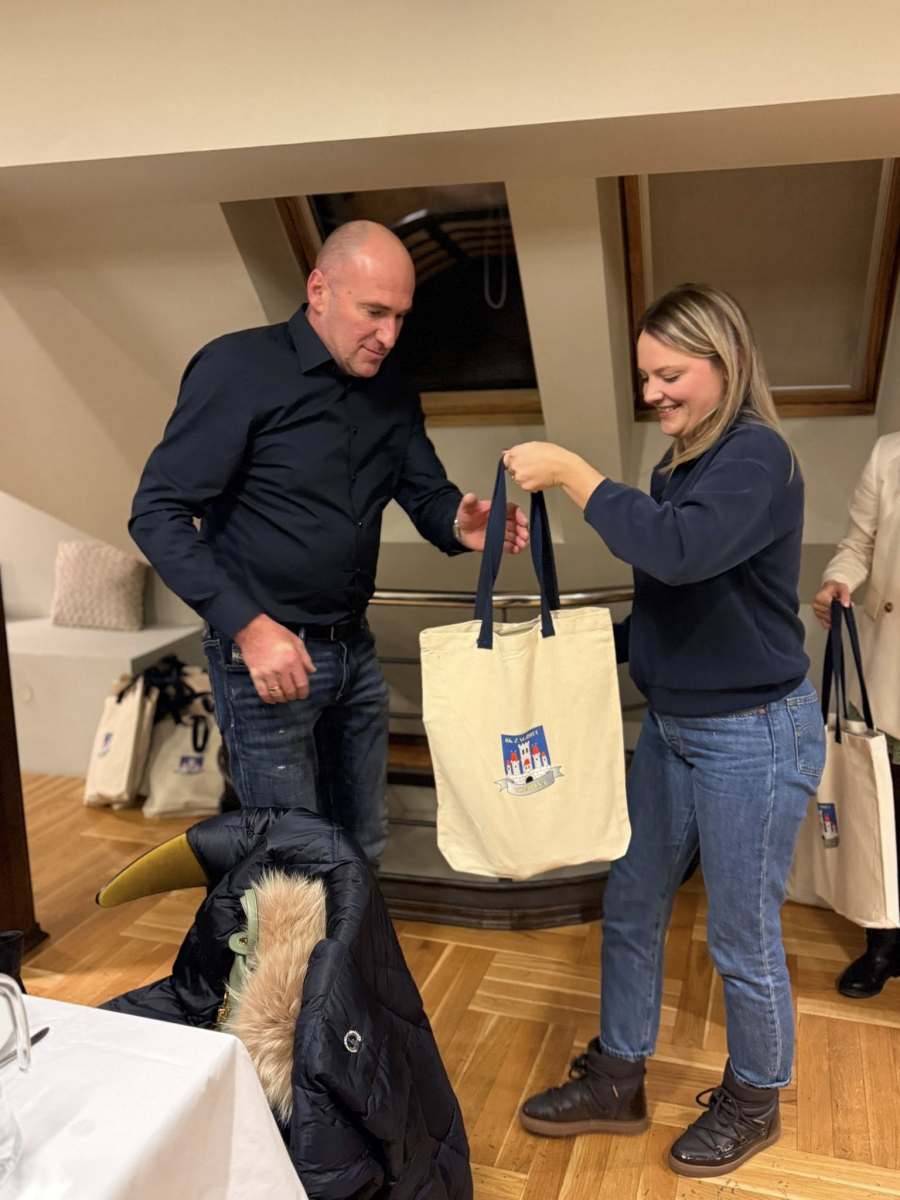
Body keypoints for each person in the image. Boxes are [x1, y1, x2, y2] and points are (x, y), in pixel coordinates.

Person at [502, 283, 826, 1178]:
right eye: (645, 377)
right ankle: (619, 1077)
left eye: (670, 375)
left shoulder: (757, 457)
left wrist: (576, 475)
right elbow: (676, 603)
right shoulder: (678, 467)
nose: (652, 394)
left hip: (754, 734)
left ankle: (755, 1100)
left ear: (727, 362)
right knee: (634, 899)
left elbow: (676, 552)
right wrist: (579, 647)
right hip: (676, 726)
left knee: (740, 935)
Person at [131, 220, 528, 863]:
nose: (389, 335)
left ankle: (349, 939)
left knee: (363, 847)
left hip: (354, 654)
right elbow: (157, 514)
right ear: (319, 290)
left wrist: (460, 524)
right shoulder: (237, 368)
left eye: (400, 317)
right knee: (289, 865)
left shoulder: (393, 385)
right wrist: (250, 629)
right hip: (263, 659)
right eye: (373, 312)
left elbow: (425, 491)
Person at [813, 432, 900, 999]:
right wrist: (838, 581)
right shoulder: (890, 454)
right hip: (888, 674)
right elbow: (859, 543)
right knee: (880, 818)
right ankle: (883, 946)